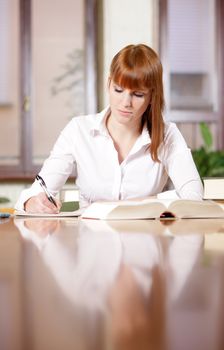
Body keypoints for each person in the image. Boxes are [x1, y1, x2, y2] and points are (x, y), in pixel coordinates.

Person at [15, 44, 203, 213]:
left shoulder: (167, 135)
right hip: (91, 245)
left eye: (138, 94)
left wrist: (148, 202)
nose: (125, 103)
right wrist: (32, 201)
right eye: (118, 90)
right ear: (109, 84)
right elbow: (39, 190)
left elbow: (193, 196)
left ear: (151, 96)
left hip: (147, 245)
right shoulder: (78, 130)